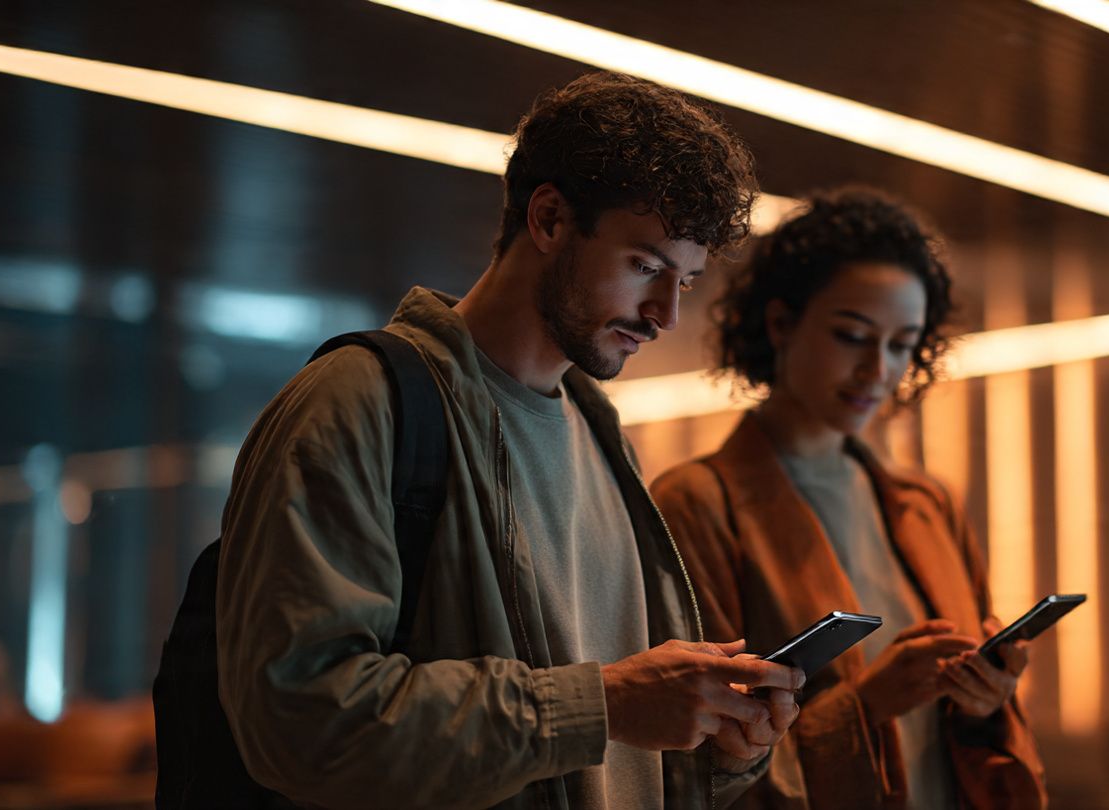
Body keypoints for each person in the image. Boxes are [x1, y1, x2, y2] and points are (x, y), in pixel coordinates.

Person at [215, 72, 803, 810]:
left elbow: (601, 756)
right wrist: (606, 706)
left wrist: (719, 748)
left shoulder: (602, 436)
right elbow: (298, 722)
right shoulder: (359, 403)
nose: (664, 315)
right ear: (550, 219)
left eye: (683, 281)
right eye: (645, 267)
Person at [651, 188, 1047, 809]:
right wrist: (866, 707)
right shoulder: (700, 505)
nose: (877, 371)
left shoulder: (927, 503)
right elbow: (692, 759)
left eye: (900, 345)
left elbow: (975, 733)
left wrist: (985, 698)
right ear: (781, 324)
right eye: (852, 336)